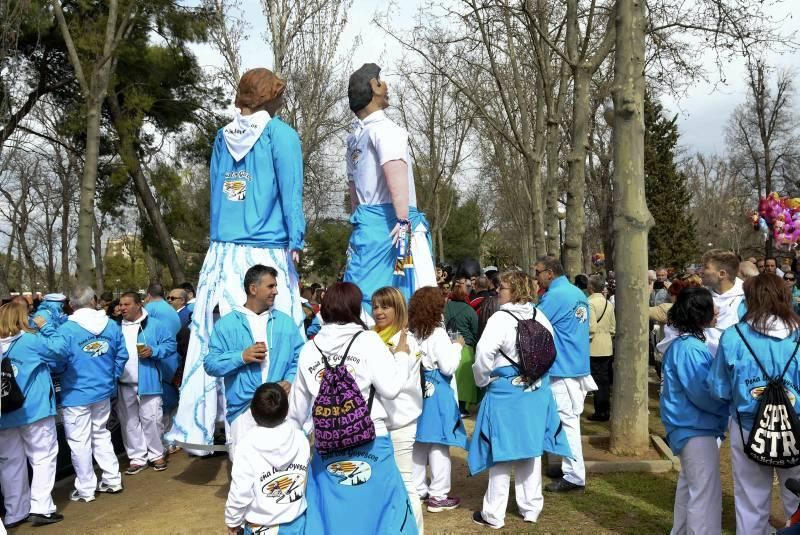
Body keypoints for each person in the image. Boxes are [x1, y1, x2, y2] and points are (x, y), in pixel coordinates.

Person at [168, 68, 306, 454]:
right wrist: (297, 239)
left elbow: (217, 193)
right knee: (284, 337)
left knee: (215, 341)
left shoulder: (222, 137)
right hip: (268, 248)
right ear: (270, 98)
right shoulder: (281, 135)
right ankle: (291, 434)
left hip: (222, 253)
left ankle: (220, 434)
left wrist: (217, 239)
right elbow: (290, 192)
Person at [287, 282, 417, 534]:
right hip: (371, 439)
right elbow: (391, 388)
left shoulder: (309, 348)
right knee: (381, 512)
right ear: (355, 307)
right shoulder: (368, 340)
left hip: (328, 446)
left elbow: (296, 411)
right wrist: (401, 355)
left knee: (332, 515)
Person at [469, 271, 572, 529]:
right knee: (530, 450)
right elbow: (552, 351)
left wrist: (482, 380)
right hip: (537, 392)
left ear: (514, 290)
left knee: (501, 452)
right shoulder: (540, 315)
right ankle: (531, 508)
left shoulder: (500, 318)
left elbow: (483, 354)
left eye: (502, 287)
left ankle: (493, 513)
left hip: (506, 392)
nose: (497, 291)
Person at [707, 273, 800, 533]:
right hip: (796, 426)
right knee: (797, 496)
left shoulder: (733, 337)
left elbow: (719, 389)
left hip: (748, 428)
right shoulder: (798, 335)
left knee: (750, 501)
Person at [342, 63, 436, 307]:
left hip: (366, 229)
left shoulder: (354, 139)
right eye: (380, 81)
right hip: (394, 228)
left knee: (362, 291)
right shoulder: (386, 130)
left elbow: (354, 193)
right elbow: (395, 173)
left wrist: (359, 224)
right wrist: (403, 220)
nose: (386, 86)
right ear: (373, 88)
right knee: (403, 294)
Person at [204, 265, 304, 458]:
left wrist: (290, 379)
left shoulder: (285, 322)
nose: (275, 291)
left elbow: (300, 357)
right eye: (270, 286)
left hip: (279, 408)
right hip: (244, 411)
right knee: (246, 471)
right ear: (253, 289)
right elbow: (211, 364)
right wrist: (241, 357)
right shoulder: (227, 324)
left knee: (279, 470)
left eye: (275, 286)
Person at [660, 287, 728, 534]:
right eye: (712, 306)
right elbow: (702, 393)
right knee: (705, 494)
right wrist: (728, 404)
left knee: (691, 487)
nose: (717, 310)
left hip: (690, 426)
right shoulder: (690, 347)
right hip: (694, 426)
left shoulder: (687, 344)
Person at [56, 286, 128, 502]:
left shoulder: (66, 330)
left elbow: (57, 362)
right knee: (101, 434)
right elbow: (121, 355)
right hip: (102, 390)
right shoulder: (111, 325)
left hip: (75, 393)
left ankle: (87, 488)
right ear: (93, 300)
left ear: (71, 304)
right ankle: (112, 479)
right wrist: (110, 377)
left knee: (80, 441)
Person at [0, 302, 67, 527]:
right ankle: (41, 507)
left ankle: (14, 512)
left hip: (4, 414)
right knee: (42, 457)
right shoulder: (29, 340)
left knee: (10, 464)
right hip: (34, 410)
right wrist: (46, 326)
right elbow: (61, 349)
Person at [534, 256, 595, 493]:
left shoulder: (557, 296)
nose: (536, 276)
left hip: (564, 367)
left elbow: (533, 322)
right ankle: (567, 467)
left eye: (538, 272)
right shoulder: (575, 293)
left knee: (568, 423)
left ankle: (574, 475)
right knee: (565, 421)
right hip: (573, 364)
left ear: (550, 273)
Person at [408, 287, 466, 513]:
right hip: (437, 389)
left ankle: (417, 488)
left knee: (419, 440)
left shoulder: (412, 332)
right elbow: (449, 365)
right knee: (440, 442)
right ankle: (439, 495)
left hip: (416, 389)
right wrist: (457, 346)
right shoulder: (437, 334)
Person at [371, 287, 424, 532]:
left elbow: (395, 382)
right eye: (375, 306)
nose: (379, 312)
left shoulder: (406, 341)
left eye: (385, 306)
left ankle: (416, 529)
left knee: (405, 480)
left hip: (401, 421)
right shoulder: (370, 338)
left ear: (398, 308)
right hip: (376, 424)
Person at [225, 383, 309, 535]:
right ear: (287, 410)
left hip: (261, 527)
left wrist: (233, 521)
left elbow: (240, 491)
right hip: (296, 524)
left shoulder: (246, 446)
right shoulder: (300, 439)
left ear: (252, 411)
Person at [117, 291, 177, 475]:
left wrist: (154, 351)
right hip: (124, 383)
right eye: (121, 305)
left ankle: (157, 454)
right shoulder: (115, 327)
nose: (122, 308)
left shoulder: (155, 325)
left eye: (126, 304)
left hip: (149, 381)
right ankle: (137, 458)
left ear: (138, 305)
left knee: (152, 419)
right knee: (129, 422)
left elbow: (170, 345)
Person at [701, 249, 745, 356]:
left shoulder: (747, 297)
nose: (701, 271)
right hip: (702, 363)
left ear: (721, 274)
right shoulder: (700, 296)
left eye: (706, 267)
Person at [446, 275, 479, 416]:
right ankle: (462, 408)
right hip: (466, 347)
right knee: (464, 381)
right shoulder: (469, 311)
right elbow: (475, 329)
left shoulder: (445, 307)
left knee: (452, 378)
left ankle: (451, 406)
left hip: (448, 345)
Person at [587, 274, 615, 422]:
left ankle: (600, 412)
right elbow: (613, 328)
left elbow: (591, 328)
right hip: (607, 346)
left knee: (597, 381)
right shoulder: (608, 303)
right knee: (604, 380)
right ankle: (604, 410)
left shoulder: (589, 303)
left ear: (590, 287)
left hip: (594, 346)